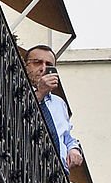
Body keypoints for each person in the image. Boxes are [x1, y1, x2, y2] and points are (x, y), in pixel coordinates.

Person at [24, 45, 84, 173]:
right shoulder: (18, 93)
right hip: (28, 169)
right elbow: (17, 117)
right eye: (37, 63)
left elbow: (66, 136)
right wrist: (40, 93)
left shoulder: (59, 103)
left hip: (56, 176)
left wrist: (74, 149)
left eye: (49, 64)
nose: (43, 68)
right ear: (25, 66)